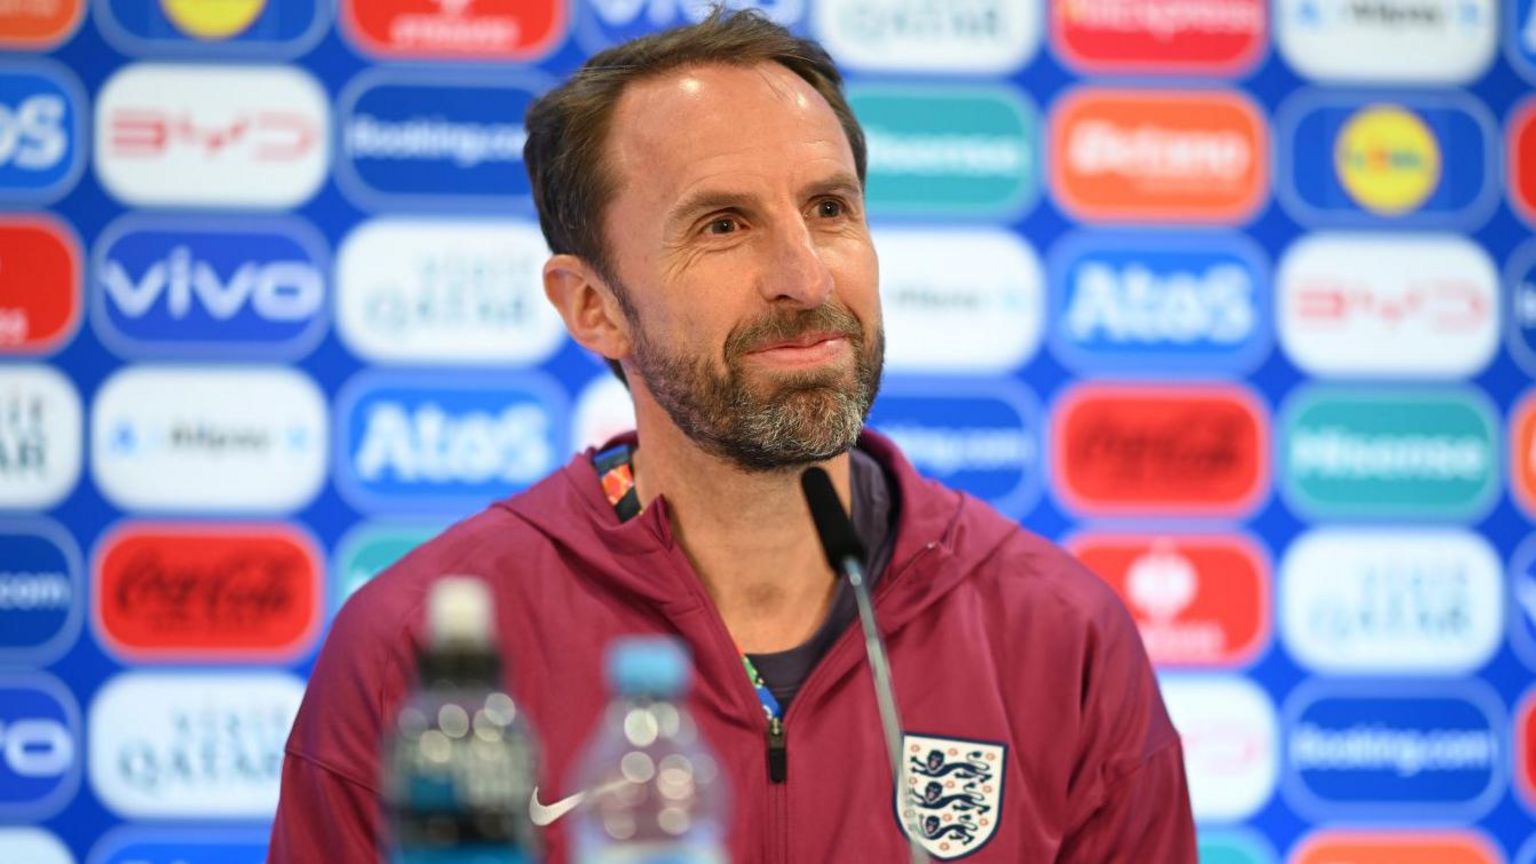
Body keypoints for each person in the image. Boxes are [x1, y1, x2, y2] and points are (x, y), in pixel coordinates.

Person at [269, 9, 1196, 862]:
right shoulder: (414, 657)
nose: (805, 277)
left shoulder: (1059, 636)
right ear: (593, 307)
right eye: (724, 225)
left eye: (830, 209)